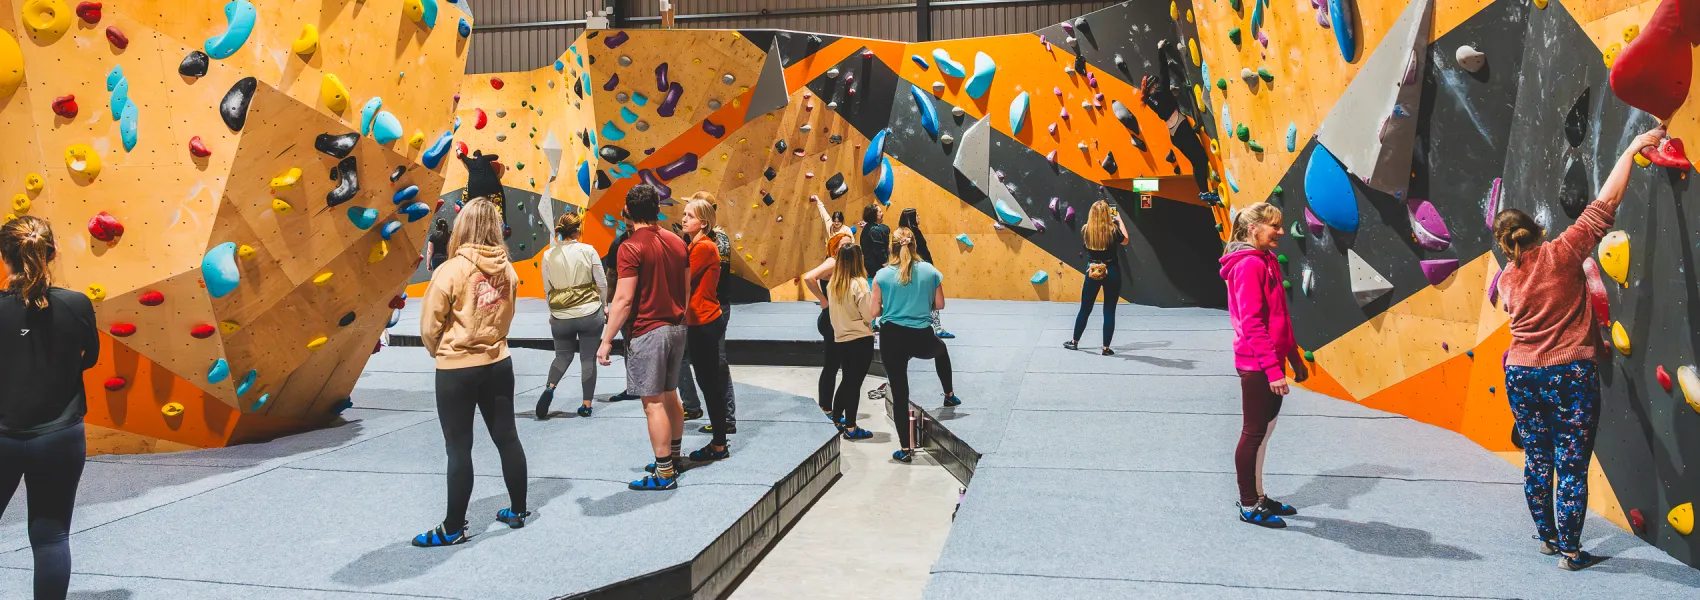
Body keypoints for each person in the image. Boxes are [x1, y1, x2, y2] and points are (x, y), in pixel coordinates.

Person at [1494, 127, 1663, 570]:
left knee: (1537, 458)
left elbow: (1513, 311)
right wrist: (1630, 148)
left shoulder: (1506, 279)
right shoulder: (1562, 252)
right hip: (1569, 373)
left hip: (1521, 373)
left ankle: (1549, 539)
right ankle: (1571, 551)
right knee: (1570, 463)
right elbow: (1605, 204)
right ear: (1538, 228)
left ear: (1505, 244)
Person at [413, 197, 530, 546]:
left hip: (457, 370)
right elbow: (506, 318)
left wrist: (446, 353)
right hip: (498, 363)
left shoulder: (450, 270)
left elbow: (428, 327)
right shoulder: (509, 270)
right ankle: (519, 510)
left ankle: (452, 529)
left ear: (463, 227)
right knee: (507, 437)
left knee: (459, 448)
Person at [0, 217, 99, 600]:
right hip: (59, 436)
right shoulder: (76, 304)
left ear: (5, 257)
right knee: (51, 535)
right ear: (52, 253)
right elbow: (89, 359)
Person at [1219, 202, 1308, 530]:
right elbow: (1253, 323)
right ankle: (1248, 504)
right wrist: (1273, 370)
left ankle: (1259, 494)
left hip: (1272, 359)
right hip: (1256, 364)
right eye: (1275, 226)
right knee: (1253, 433)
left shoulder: (1266, 260)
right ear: (1253, 228)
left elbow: (1279, 317)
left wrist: (1293, 357)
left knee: (1264, 433)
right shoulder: (1248, 266)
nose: (1281, 232)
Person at [598, 184, 691, 491]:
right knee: (670, 394)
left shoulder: (630, 246)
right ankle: (674, 458)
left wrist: (606, 339)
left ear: (627, 211)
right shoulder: (678, 242)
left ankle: (664, 474)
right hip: (678, 327)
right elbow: (686, 290)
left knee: (653, 404)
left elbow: (623, 300)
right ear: (657, 209)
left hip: (649, 330)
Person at [872, 227, 963, 463]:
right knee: (941, 350)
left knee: (900, 394)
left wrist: (892, 307)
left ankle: (905, 450)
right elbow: (940, 304)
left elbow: (874, 311)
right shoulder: (930, 271)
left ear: (891, 247)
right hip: (921, 336)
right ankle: (950, 394)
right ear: (914, 246)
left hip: (891, 337)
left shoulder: (881, 276)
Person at [537, 213, 607, 420]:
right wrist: (604, 305)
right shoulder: (588, 251)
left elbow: (547, 288)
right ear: (578, 229)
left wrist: (552, 312)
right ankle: (586, 405)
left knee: (562, 356)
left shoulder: (549, 255)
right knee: (587, 358)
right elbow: (601, 282)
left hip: (561, 315)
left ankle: (550, 387)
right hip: (589, 312)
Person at [681, 196, 733, 460]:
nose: (683, 218)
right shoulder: (697, 245)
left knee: (709, 384)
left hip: (703, 321)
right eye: (684, 214)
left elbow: (683, 281)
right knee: (708, 382)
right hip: (700, 321)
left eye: (689, 215)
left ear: (703, 222)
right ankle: (719, 443)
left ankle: (719, 445)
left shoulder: (702, 247)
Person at [803, 227, 858, 418]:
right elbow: (809, 278)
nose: (848, 247)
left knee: (839, 364)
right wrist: (823, 301)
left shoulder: (846, 264)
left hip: (839, 320)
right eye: (844, 244)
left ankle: (833, 406)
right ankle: (826, 406)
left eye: (850, 243)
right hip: (830, 321)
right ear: (835, 249)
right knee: (832, 365)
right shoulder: (833, 262)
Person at [825, 244, 877, 440]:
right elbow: (868, 314)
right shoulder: (860, 284)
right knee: (854, 384)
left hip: (841, 339)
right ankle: (852, 427)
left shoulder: (833, 284)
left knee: (847, 379)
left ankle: (837, 418)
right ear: (858, 260)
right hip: (860, 339)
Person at [1067, 200, 1130, 355]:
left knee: (1085, 308)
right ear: (1107, 214)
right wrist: (1119, 220)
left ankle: (1074, 341)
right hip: (1112, 271)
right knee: (1109, 310)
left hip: (1093, 270)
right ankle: (1105, 348)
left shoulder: (1085, 230)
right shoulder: (1113, 230)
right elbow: (1126, 240)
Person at [602, 226, 643, 404]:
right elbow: (611, 276)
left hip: (651, 304)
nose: (631, 228)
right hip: (628, 304)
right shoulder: (618, 244)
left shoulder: (656, 240)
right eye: (627, 225)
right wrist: (605, 302)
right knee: (629, 344)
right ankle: (634, 387)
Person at [898, 208, 953, 339]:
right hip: (920, 269)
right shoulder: (912, 233)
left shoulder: (904, 232)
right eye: (917, 216)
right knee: (931, 297)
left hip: (916, 268)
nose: (919, 218)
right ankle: (937, 327)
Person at [858, 203, 890, 284]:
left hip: (869, 266)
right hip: (876, 268)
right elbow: (879, 250)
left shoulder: (869, 227)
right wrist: (886, 264)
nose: (882, 214)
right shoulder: (874, 230)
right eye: (880, 212)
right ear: (873, 215)